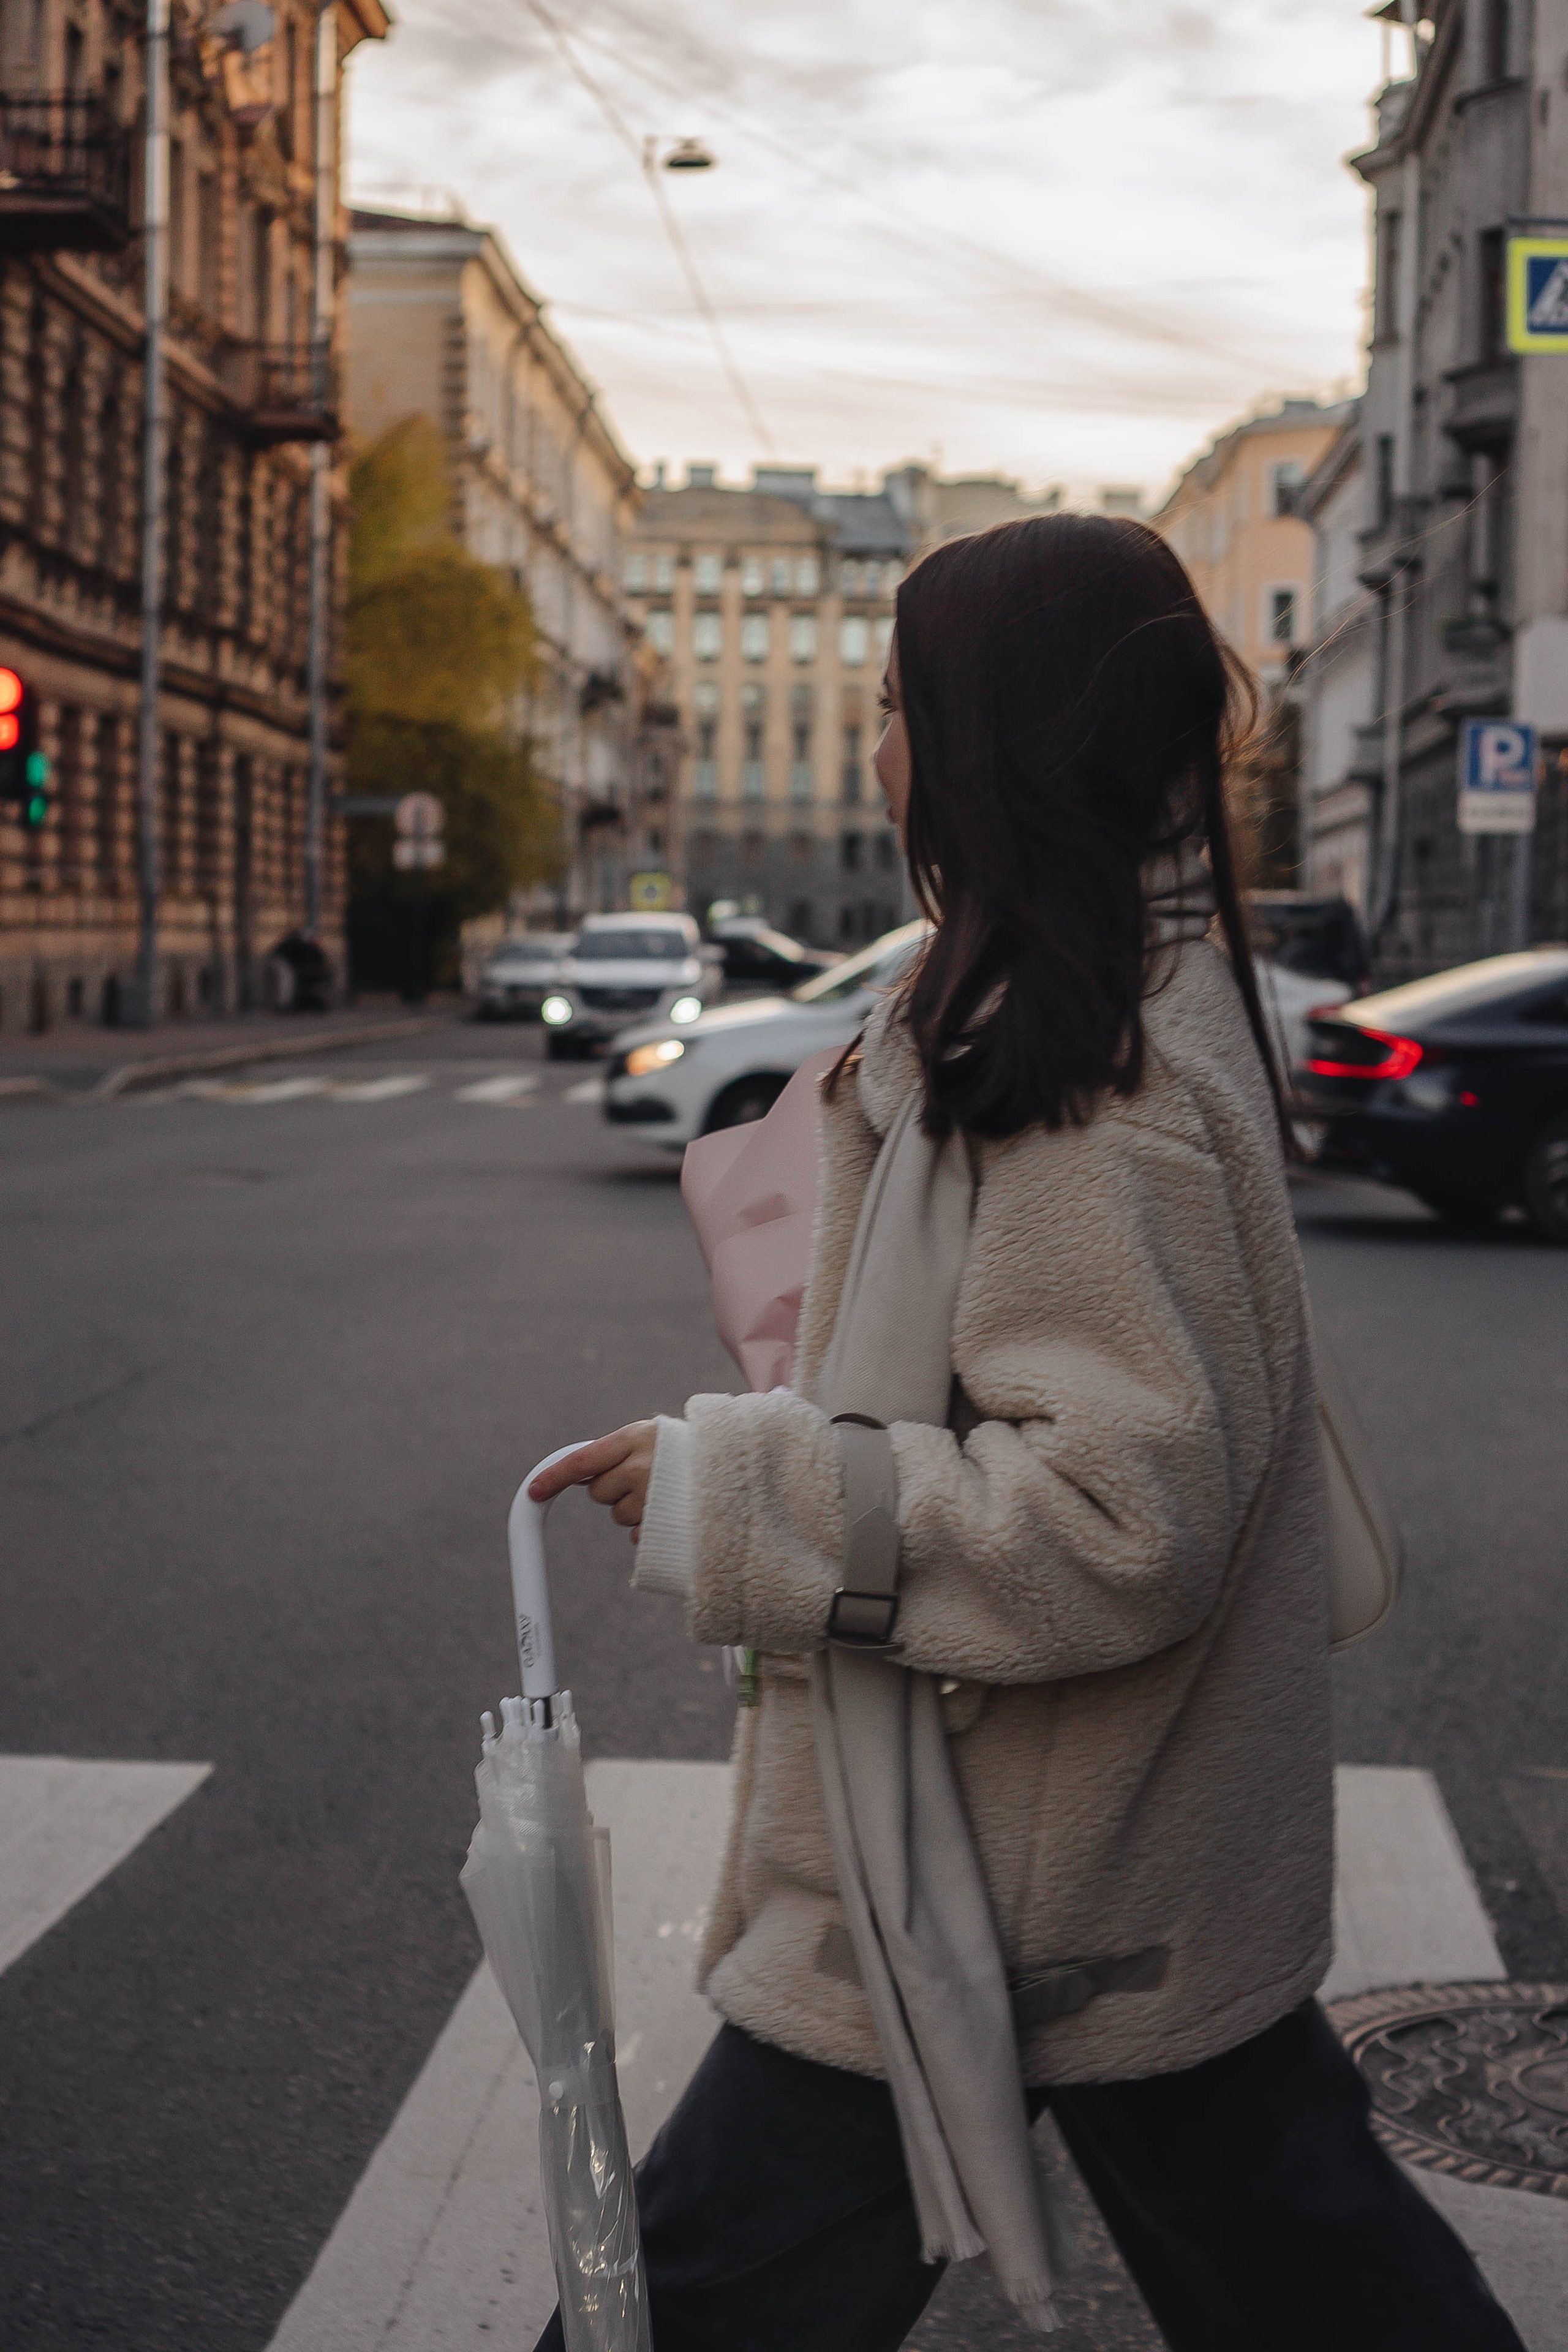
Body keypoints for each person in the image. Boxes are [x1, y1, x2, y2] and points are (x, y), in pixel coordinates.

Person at [529, 516, 1523, 2352]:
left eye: (901, 707)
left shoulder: (1091, 1074)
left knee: (696, 2300)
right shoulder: (1091, 1008)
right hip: (1077, 1863)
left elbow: (1115, 1513)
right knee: (1304, 2253)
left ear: (997, 741)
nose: (878, 747)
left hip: (993, 1881)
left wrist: (733, 1495)